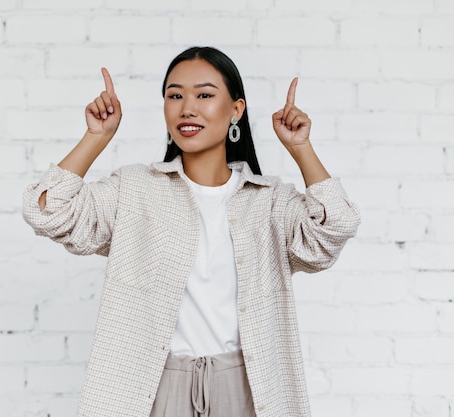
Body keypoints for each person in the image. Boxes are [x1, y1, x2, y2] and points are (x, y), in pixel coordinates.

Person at [23, 46, 360, 417]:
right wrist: (95, 138)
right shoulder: (134, 190)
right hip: (153, 389)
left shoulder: (268, 201)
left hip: (248, 390)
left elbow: (334, 229)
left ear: (236, 110)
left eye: (204, 95)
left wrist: (301, 148)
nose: (187, 108)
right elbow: (47, 211)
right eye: (175, 95)